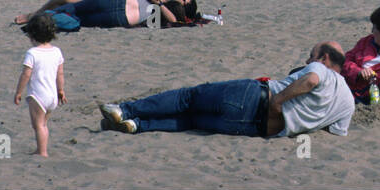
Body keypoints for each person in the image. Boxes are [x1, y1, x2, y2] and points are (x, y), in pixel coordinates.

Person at [99, 42, 354, 138]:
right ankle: (137, 125)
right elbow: (336, 132)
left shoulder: (322, 71)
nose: (308, 60)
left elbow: (310, 80)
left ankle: (124, 109)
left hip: (257, 98)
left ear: (324, 59)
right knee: (192, 120)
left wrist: (280, 100)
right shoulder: (348, 102)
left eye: (311, 56)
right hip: (260, 129)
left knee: (188, 98)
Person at [14, 13, 66, 157]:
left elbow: (26, 74)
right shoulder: (56, 51)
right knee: (43, 124)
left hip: (38, 96)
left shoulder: (32, 53)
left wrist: (19, 92)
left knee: (38, 125)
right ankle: (41, 149)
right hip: (52, 96)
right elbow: (60, 74)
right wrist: (61, 90)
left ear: (32, 35)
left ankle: (42, 152)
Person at [16, 0, 198, 28]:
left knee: (77, 18)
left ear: (184, 6)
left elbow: (175, 20)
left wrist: (157, 3)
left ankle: (40, 20)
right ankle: (36, 18)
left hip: (119, 15)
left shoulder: (165, 17)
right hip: (116, 1)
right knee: (73, 9)